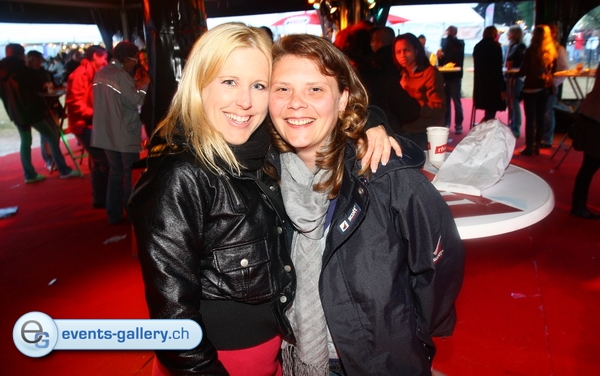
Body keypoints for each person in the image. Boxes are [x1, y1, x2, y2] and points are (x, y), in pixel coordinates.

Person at [128, 23, 398, 375]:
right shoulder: (181, 174)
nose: (245, 101)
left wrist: (372, 123)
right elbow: (172, 320)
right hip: (219, 360)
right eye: (229, 82)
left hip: (274, 352)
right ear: (198, 84)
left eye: (259, 85)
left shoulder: (263, 148)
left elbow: (326, 112)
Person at [267, 33, 465, 375]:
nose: (296, 103)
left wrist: (405, 331)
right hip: (297, 358)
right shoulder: (264, 174)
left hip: (379, 363)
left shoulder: (383, 173)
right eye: (282, 89)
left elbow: (441, 260)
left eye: (315, 89)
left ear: (342, 99)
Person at [0, 43, 80, 183]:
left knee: (26, 141)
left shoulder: (3, 72)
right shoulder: (22, 70)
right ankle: (63, 169)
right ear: (21, 55)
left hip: (15, 112)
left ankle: (29, 174)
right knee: (51, 136)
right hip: (30, 110)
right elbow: (39, 85)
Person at [92, 41, 148, 224]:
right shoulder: (121, 75)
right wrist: (146, 88)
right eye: (135, 58)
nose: (136, 62)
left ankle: (113, 213)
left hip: (105, 131)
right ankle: (132, 213)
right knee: (129, 172)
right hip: (123, 131)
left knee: (115, 172)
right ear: (127, 58)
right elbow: (136, 101)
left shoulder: (101, 73)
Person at [338, 25, 420, 134]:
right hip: (385, 136)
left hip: (353, 137)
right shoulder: (380, 75)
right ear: (368, 47)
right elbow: (410, 110)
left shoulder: (340, 79)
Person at [65, 45, 110, 208]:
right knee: (106, 161)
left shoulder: (90, 73)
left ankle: (100, 199)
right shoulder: (79, 74)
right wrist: (94, 114)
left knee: (98, 162)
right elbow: (74, 103)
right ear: (95, 56)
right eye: (104, 58)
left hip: (89, 124)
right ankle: (109, 199)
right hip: (84, 125)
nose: (106, 62)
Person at [394, 32, 446, 149]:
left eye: (406, 50)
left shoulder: (430, 74)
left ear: (416, 50)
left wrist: (412, 105)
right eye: (398, 52)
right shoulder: (401, 74)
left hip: (425, 133)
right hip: (405, 130)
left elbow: (439, 108)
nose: (402, 55)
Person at [517, 25, 557, 156]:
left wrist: (516, 74)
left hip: (531, 87)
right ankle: (537, 146)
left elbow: (523, 71)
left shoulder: (530, 51)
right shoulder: (551, 52)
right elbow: (553, 70)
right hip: (545, 87)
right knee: (540, 118)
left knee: (530, 119)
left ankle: (529, 147)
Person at [570, 64, 600, 219]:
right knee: (589, 166)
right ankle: (578, 206)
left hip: (590, 115)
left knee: (589, 166)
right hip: (595, 120)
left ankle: (578, 205)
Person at [27, 49, 56, 171]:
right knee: (46, 135)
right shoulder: (27, 74)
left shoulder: (45, 72)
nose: (39, 63)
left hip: (50, 105)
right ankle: (50, 159)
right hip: (37, 108)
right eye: (37, 60)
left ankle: (54, 159)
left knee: (54, 133)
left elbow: (52, 84)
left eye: (40, 60)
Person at [541, 24, 569, 148]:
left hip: (549, 84)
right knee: (542, 112)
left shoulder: (558, 49)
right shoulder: (541, 48)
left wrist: (553, 82)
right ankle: (541, 137)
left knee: (547, 112)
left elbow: (564, 69)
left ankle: (547, 139)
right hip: (540, 84)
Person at [473, 26, 506, 122]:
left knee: (488, 109)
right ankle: (486, 125)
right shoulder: (496, 47)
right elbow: (497, 68)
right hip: (493, 83)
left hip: (481, 83)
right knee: (492, 109)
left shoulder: (477, 46)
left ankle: (485, 123)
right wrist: (502, 87)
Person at [437, 26, 465, 134]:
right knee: (446, 102)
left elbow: (456, 53)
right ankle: (446, 123)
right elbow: (443, 59)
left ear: (455, 32)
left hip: (455, 76)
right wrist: (440, 57)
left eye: (450, 31)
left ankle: (458, 124)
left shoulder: (459, 43)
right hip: (445, 75)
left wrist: (449, 38)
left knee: (456, 101)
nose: (448, 33)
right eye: (448, 31)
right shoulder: (444, 42)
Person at [505, 25, 527, 137]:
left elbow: (522, 63)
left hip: (516, 78)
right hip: (510, 76)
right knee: (511, 102)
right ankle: (512, 123)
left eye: (509, 32)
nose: (507, 34)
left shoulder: (520, 46)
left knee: (514, 102)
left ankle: (516, 126)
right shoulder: (512, 45)